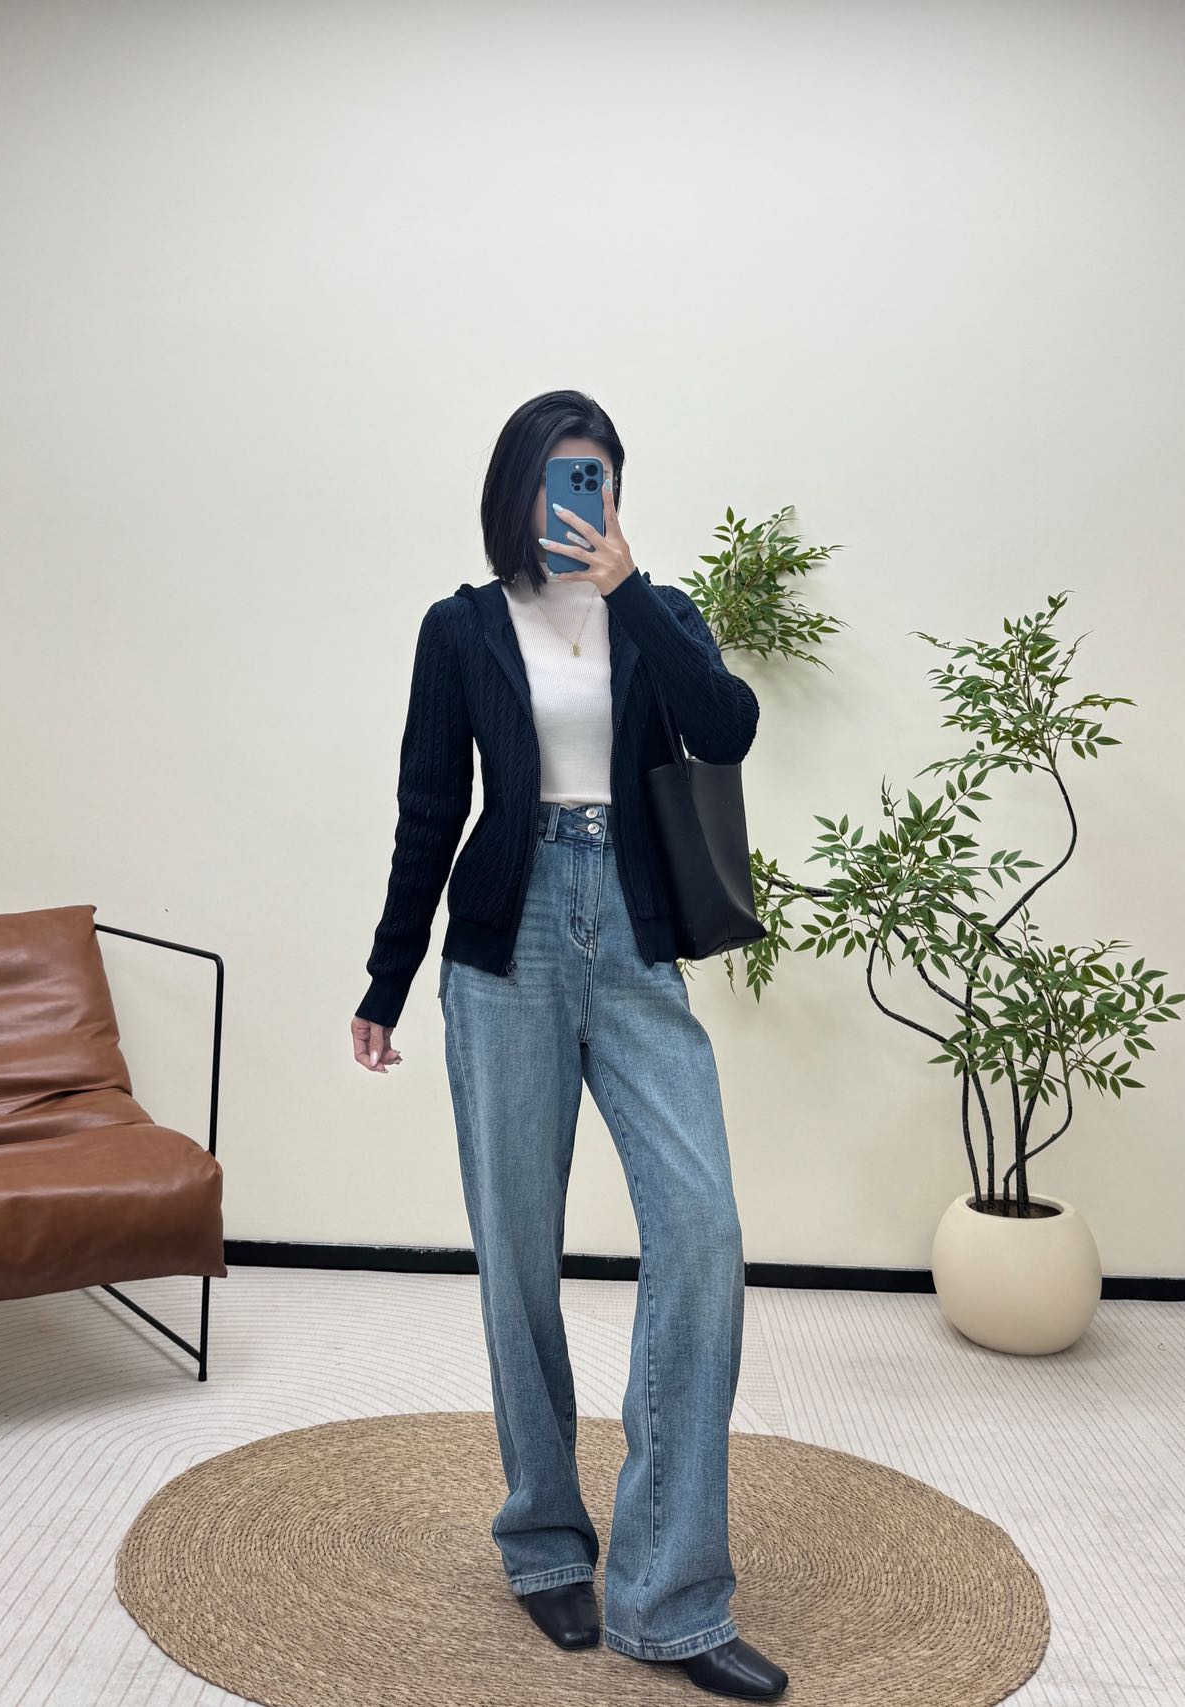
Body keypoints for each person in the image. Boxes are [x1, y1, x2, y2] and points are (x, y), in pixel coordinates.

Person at [351, 391, 788, 1699]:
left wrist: (632, 590)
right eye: (558, 476)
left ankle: (670, 1595)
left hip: (637, 937)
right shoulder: (462, 628)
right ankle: (544, 1541)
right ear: (517, 490)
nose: (578, 501)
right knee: (518, 1257)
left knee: (703, 1233)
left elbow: (729, 730)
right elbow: (430, 808)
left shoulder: (657, 612)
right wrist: (386, 979)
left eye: (597, 477)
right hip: (509, 942)